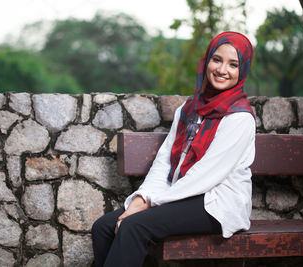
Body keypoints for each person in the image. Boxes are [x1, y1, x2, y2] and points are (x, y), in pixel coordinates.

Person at [91, 31, 256, 267]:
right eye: (217, 59)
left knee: (133, 226)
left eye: (233, 64)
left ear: (243, 70)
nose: (222, 70)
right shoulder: (189, 109)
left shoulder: (239, 118)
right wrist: (142, 198)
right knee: (103, 228)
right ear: (207, 60)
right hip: (177, 193)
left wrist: (151, 203)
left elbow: (206, 176)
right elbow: (165, 162)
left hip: (217, 203)